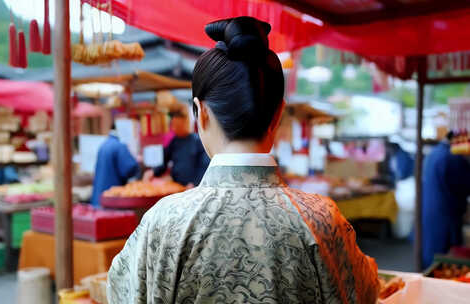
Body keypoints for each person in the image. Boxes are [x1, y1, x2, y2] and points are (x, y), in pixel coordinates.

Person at [107, 17, 379, 303]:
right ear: (278, 115)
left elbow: (120, 290)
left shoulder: (164, 222)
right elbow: (367, 289)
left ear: (200, 113)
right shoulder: (322, 220)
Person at [422, 132, 470, 268]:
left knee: (432, 254)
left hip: (433, 211)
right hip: (446, 214)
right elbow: (466, 185)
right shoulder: (453, 157)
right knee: (445, 260)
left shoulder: (435, 152)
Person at [144, 109, 210, 187]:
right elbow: (164, 162)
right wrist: (153, 172)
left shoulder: (197, 141)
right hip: (177, 186)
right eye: (173, 125)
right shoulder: (174, 142)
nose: (175, 128)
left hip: (194, 186)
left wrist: (195, 183)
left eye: (178, 125)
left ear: (185, 123)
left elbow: (204, 165)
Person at [91, 131, 139, 206]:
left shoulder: (103, 145)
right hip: (112, 199)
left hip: (99, 197)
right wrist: (137, 161)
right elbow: (129, 168)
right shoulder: (120, 146)